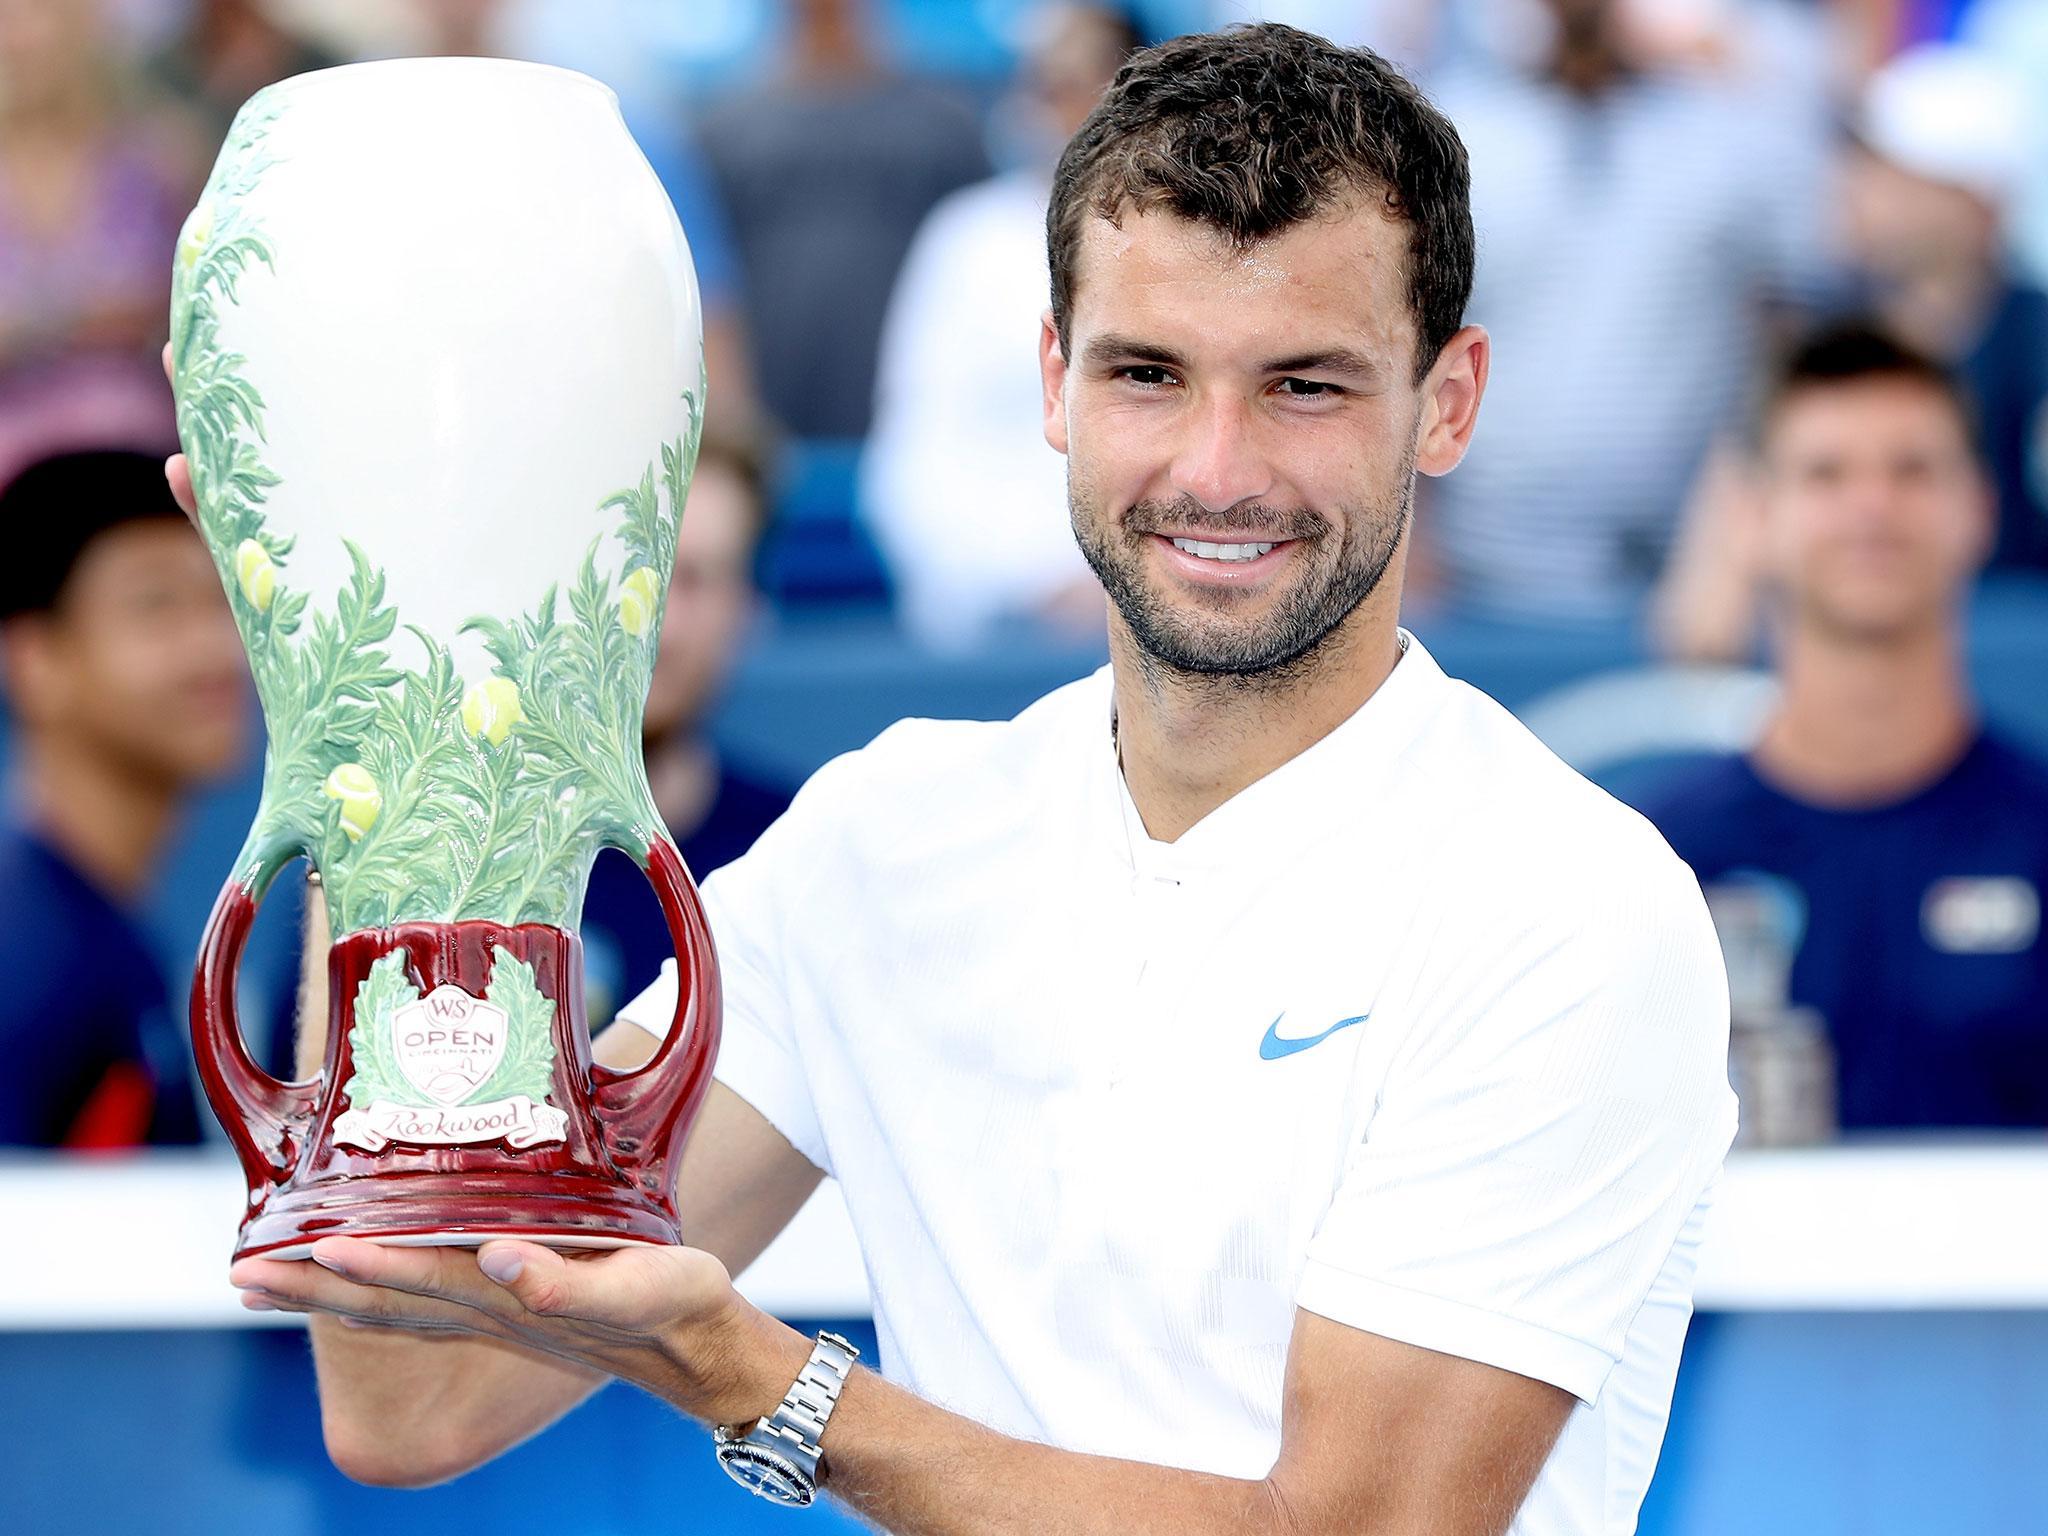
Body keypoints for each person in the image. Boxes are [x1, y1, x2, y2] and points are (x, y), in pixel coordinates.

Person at [218, 27, 1733, 1535]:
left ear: (1450, 401)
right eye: (1151, 372)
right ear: (1055, 381)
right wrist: (373, 668)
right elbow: (412, 1401)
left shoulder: (1569, 905)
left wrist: (760, 1379)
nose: (1218, 467)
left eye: (1306, 388)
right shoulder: (883, 841)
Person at [1642, 323, 2048, 1130]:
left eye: (1913, 470)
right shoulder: (1654, 867)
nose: (1872, 506)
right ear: (1753, 518)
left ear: (1980, 510)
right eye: (1826, 474)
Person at [1418, 0, 1832, 621]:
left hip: (1693, 572)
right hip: (1481, 567)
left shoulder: (1731, 129)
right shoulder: (1452, 128)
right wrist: (1412, 538)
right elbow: (1409, 342)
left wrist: (1747, 525)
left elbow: (1801, 333)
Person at [862, 2, 1139, 648]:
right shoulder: (966, 243)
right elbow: (911, 466)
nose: (1063, 104)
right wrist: (1039, 582)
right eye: (1047, 83)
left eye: (1088, 80)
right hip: (994, 632)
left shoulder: (1196, 241)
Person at [0, 449, 248, 1147]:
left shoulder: (100, 930)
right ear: (34, 659)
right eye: (156, 606)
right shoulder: (26, 956)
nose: (216, 650)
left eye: (223, 602)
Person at [694, 0, 990, 440]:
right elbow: (712, 294)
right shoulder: (723, 133)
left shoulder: (946, 130)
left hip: (914, 425)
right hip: (771, 426)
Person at [578, 428, 793, 1024]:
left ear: (746, 608)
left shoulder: (798, 852)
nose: (657, 625)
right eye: (631, 570)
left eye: (693, 579)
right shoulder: (468, 853)